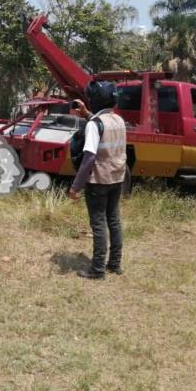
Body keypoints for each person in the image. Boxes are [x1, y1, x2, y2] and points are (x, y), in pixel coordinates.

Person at [68, 80, 127, 280]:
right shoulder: (118, 120)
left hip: (99, 180)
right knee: (114, 220)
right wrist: (86, 114)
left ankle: (97, 269)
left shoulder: (94, 125)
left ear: (94, 99)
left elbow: (89, 157)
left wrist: (75, 186)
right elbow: (102, 125)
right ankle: (115, 264)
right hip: (117, 178)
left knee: (99, 223)